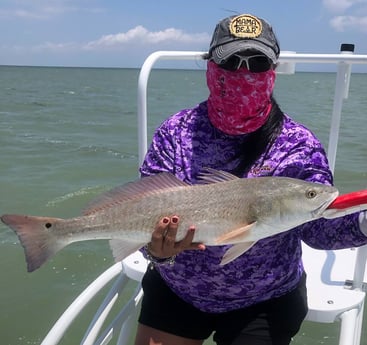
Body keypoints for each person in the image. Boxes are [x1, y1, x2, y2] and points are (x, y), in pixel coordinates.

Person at [134, 13, 367, 345]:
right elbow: (144, 214)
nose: (244, 73)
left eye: (256, 62)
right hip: (178, 288)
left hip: (264, 301)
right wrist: (159, 252)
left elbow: (318, 230)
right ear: (211, 67)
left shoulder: (299, 146)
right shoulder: (176, 132)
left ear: (272, 72)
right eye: (232, 61)